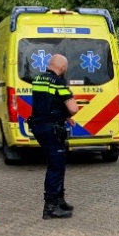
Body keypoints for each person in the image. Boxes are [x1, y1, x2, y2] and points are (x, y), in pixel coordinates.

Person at [28, 53, 78, 219]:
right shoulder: (58, 81)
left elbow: (48, 103)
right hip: (51, 129)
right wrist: (69, 109)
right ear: (62, 67)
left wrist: (63, 115)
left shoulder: (38, 79)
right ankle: (51, 207)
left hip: (39, 126)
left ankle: (60, 201)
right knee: (56, 166)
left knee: (56, 164)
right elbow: (74, 108)